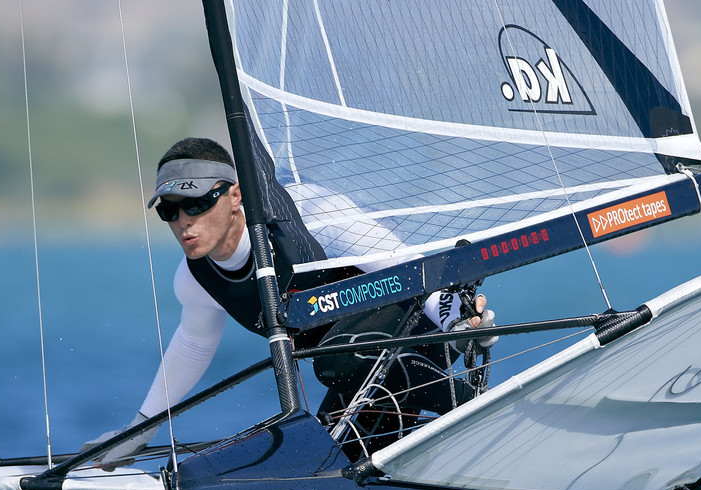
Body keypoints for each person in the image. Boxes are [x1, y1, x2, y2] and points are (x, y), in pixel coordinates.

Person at [85, 137, 491, 462]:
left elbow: (412, 272)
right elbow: (192, 344)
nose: (184, 221)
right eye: (169, 212)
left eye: (196, 204)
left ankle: (479, 411)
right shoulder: (195, 280)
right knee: (332, 464)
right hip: (358, 378)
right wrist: (140, 430)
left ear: (234, 196)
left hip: (417, 332)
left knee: (336, 357)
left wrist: (458, 325)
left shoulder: (312, 213)